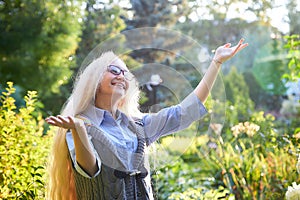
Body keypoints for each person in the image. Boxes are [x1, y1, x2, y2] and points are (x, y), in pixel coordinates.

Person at [45, 39, 248, 199]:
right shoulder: (81, 125)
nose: (122, 76)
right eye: (114, 70)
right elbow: (89, 170)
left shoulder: (139, 126)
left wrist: (216, 63)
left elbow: (183, 112)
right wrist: (79, 131)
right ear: (95, 80)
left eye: (125, 73)